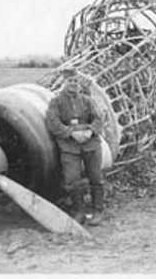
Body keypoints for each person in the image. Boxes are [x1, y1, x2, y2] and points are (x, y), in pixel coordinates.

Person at [46, 68, 105, 226]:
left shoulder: (87, 100)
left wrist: (89, 131)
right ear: (64, 83)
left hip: (90, 144)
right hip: (69, 147)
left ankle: (97, 211)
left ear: (79, 83)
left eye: (75, 81)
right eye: (70, 81)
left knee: (96, 177)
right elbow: (53, 123)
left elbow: (99, 119)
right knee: (72, 180)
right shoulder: (56, 102)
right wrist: (71, 133)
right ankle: (79, 212)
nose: (73, 84)